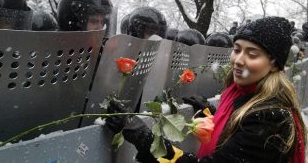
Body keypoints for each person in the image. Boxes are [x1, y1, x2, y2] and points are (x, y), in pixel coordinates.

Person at [106, 16, 307, 163]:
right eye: (237, 50)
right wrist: (211, 112)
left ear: (274, 64)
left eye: (252, 54)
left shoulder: (270, 119)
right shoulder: (241, 93)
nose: (238, 60)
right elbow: (237, 131)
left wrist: (145, 138)